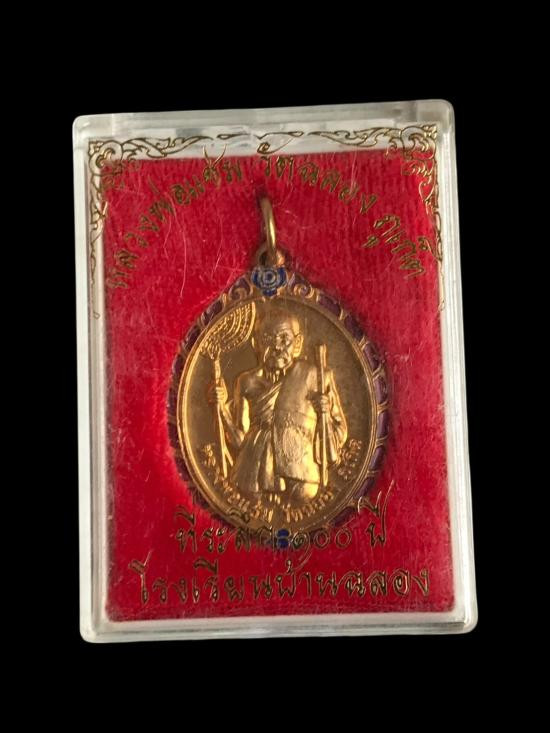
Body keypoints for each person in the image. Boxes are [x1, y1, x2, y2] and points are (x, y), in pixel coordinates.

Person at [208, 306, 347, 506]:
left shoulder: (316, 377)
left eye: (284, 339)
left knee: (305, 496)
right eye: (268, 339)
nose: (276, 347)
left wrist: (324, 413)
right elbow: (239, 442)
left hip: (301, 472)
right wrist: (221, 409)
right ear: (256, 344)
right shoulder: (246, 382)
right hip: (252, 474)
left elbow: (340, 432)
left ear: (297, 343)